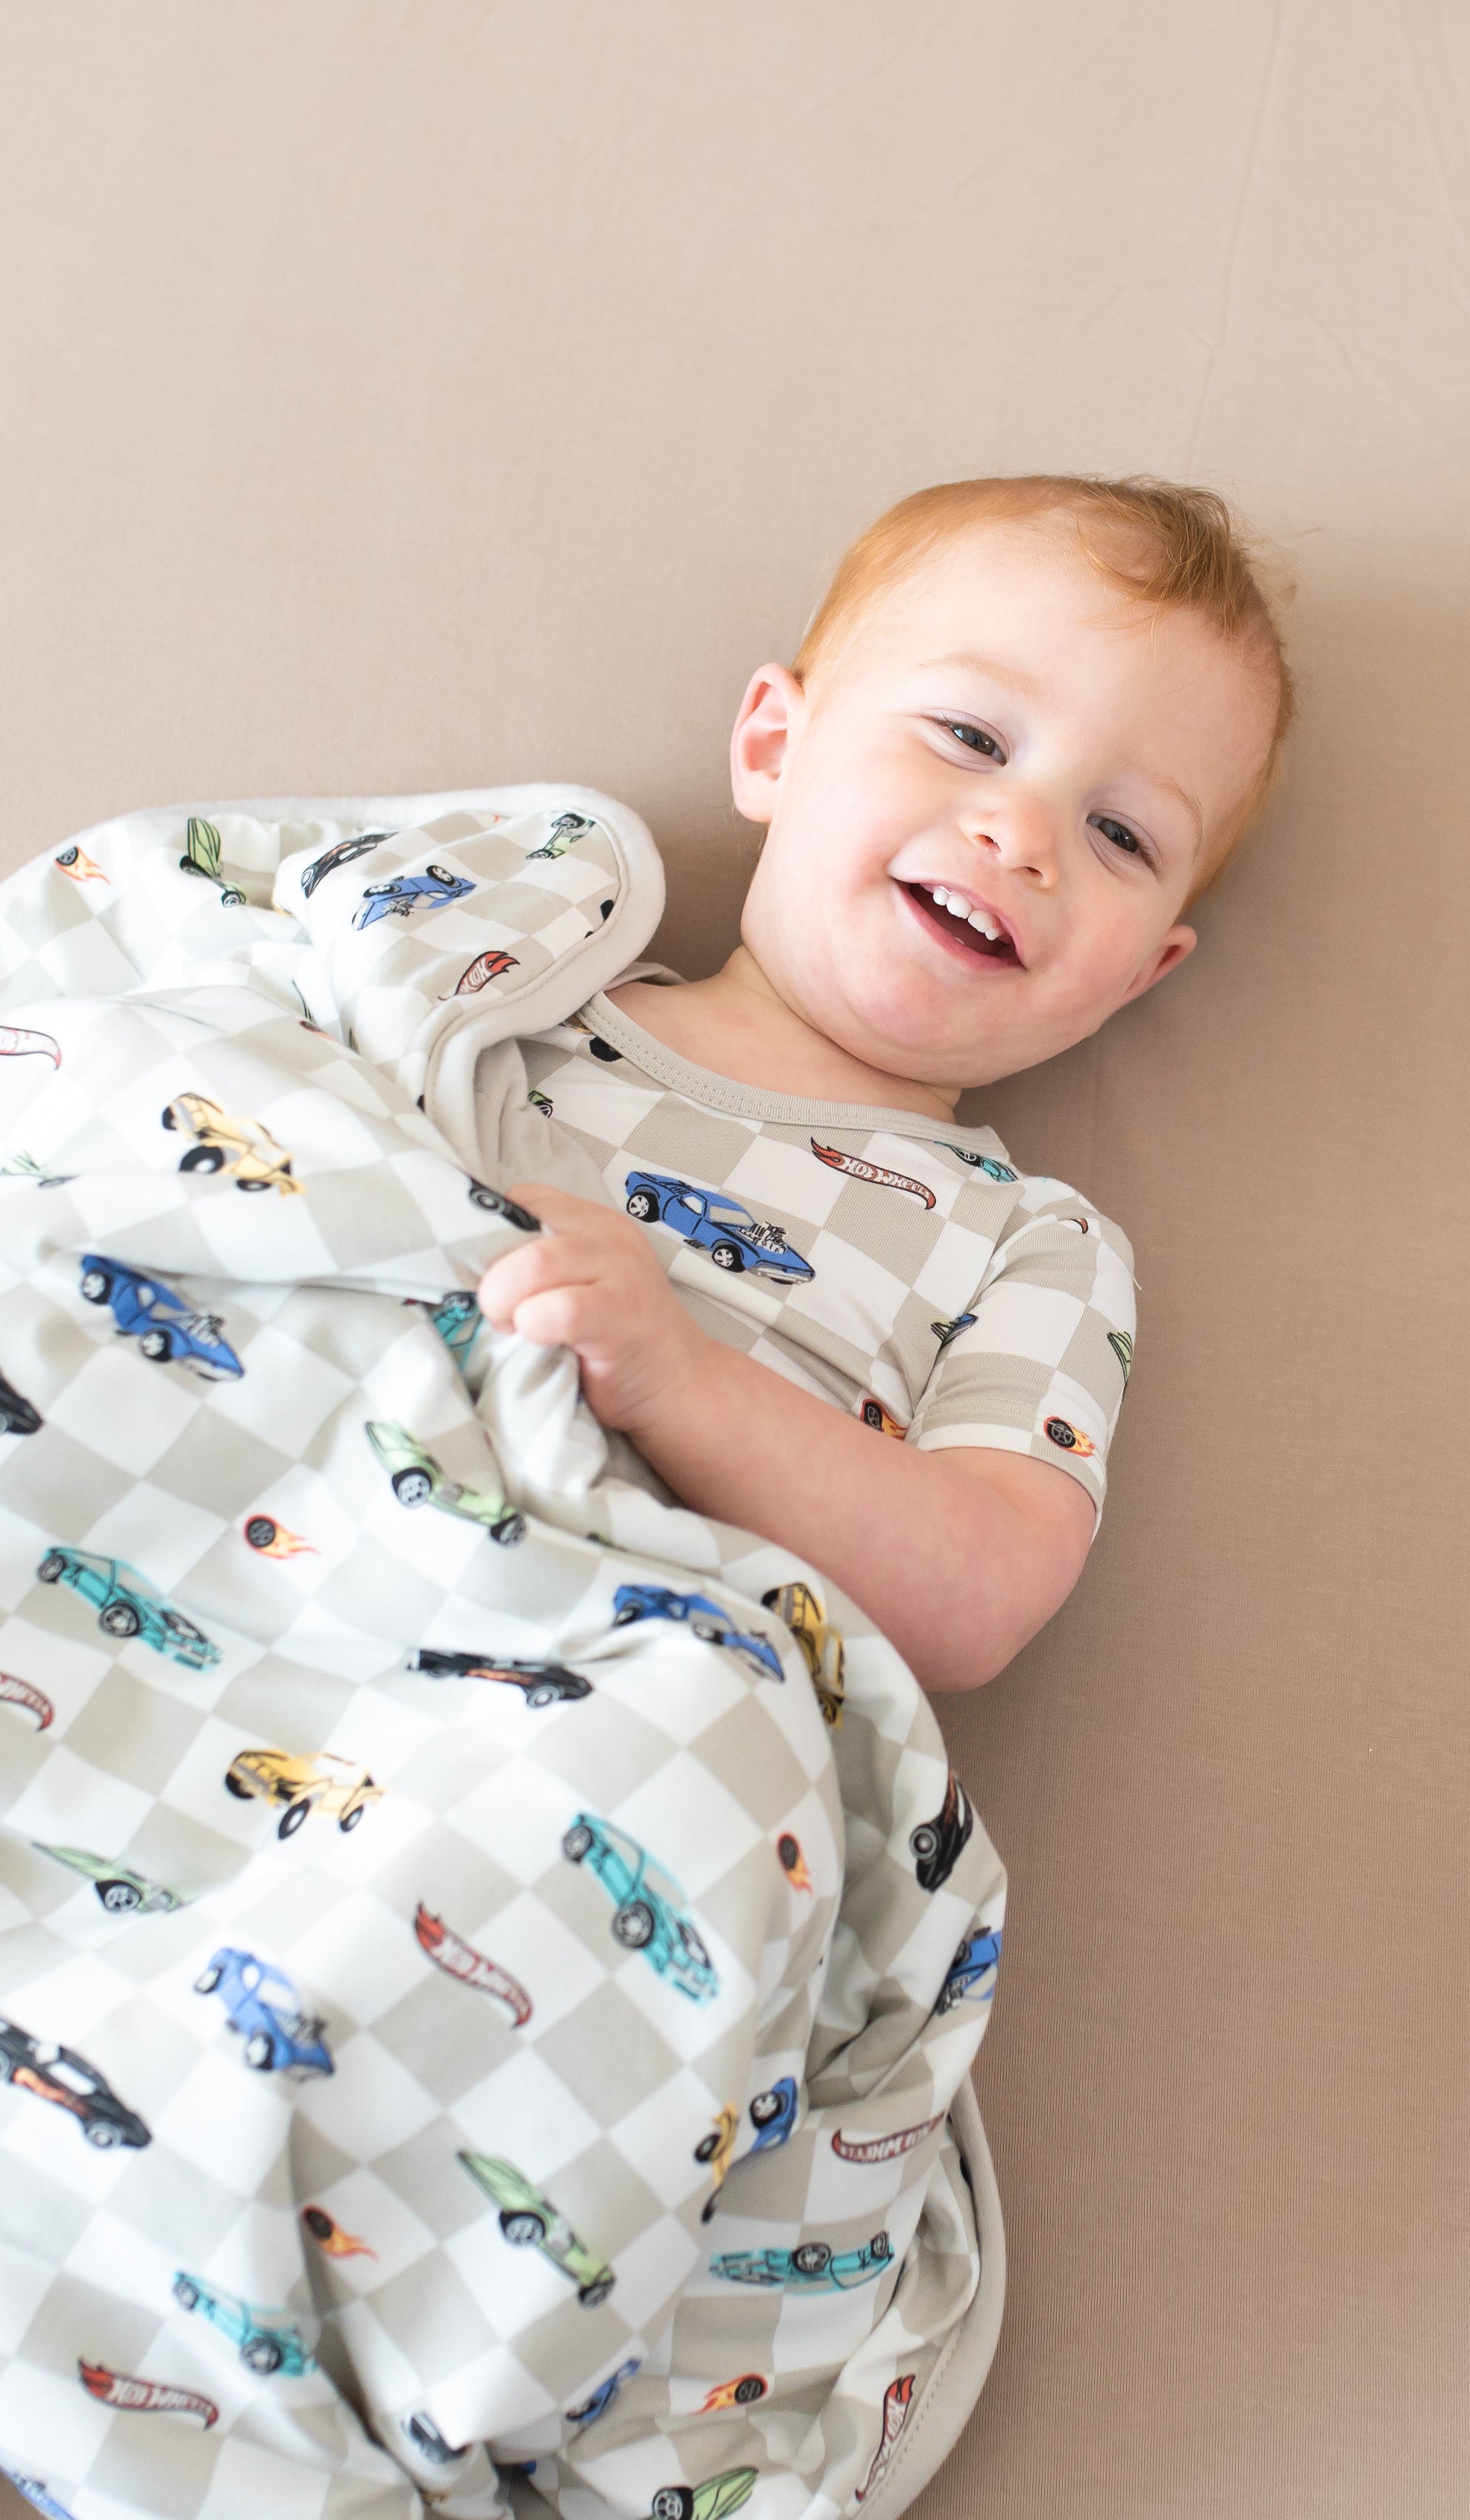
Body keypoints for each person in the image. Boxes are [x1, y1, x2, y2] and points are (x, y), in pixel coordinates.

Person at [478, 475, 1295, 1691]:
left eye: (1120, 836)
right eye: (970, 738)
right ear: (772, 748)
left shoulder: (1032, 1250)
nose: (1020, 837)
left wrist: (677, 1377)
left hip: (606, 1701)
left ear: (1141, 975)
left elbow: (985, 1597)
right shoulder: (509, 984)